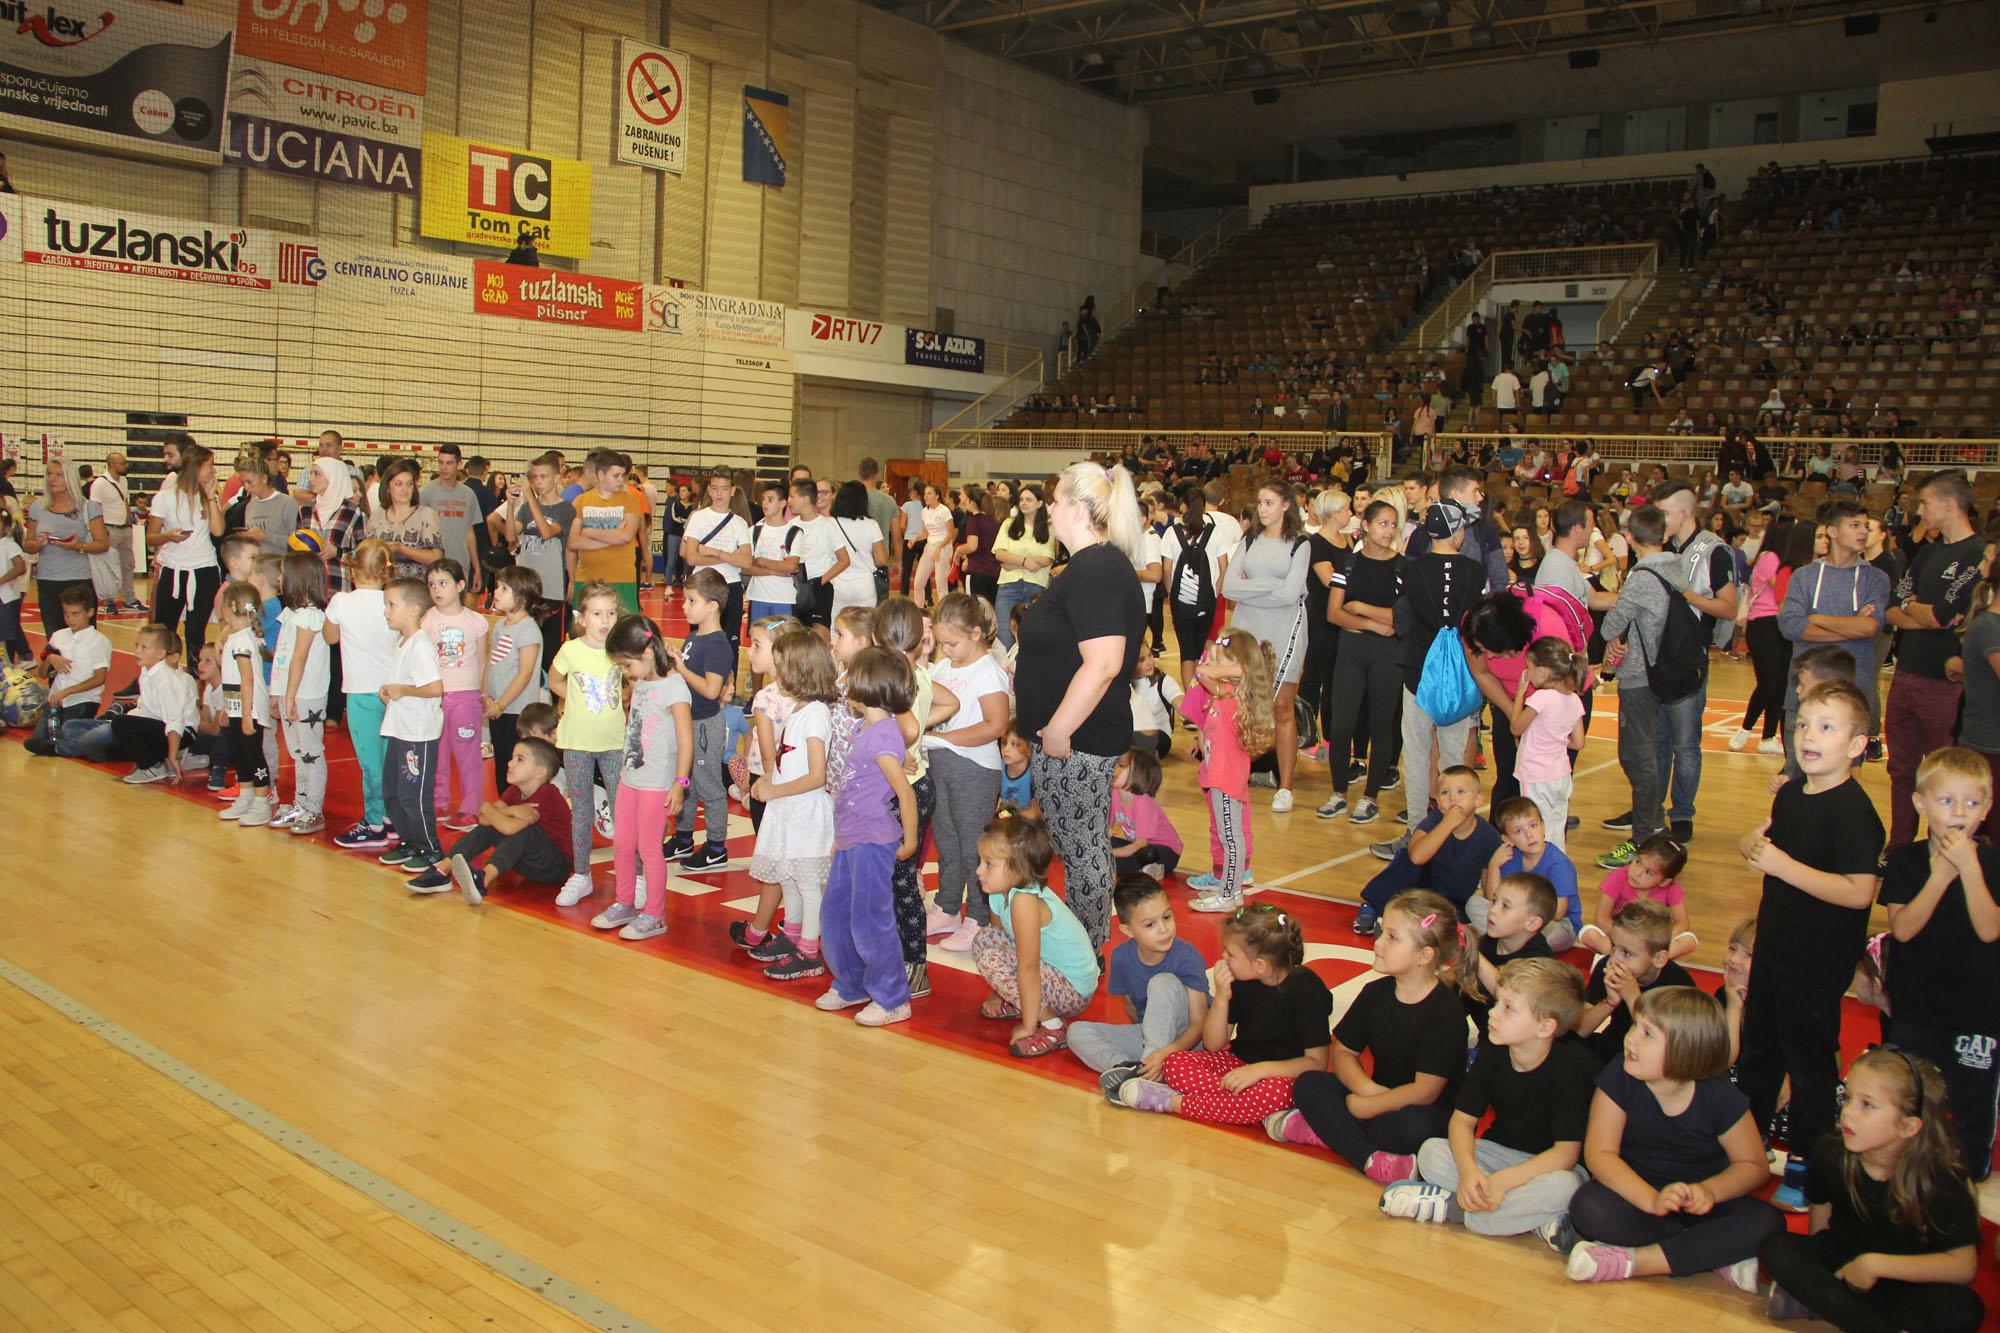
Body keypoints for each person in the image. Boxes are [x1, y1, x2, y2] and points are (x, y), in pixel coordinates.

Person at [1736, 679, 1886, 1211]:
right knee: (1758, 1053)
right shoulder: (1795, 794)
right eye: (1802, 723)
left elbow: (1859, 891)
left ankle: (1806, 1161)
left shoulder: (1854, 813)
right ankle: (1745, 1149)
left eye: (1826, 727)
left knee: (1810, 1064)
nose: (1807, 735)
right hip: (1775, 950)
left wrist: (1783, 866)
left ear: (1856, 745)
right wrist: (1752, 844)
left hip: (1817, 963)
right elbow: (1765, 844)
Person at [1564, 987, 1783, 1285]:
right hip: (1638, 1195)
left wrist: (1709, 1191)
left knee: (1767, 1222)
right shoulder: (1620, 1073)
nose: (1631, 1038)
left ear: (1686, 1050)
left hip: (1702, 1202)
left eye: (1647, 1034)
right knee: (1587, 1207)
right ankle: (1710, 1253)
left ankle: (1636, 1262)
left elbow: (1754, 1166)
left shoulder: (1717, 1093)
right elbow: (1600, 1154)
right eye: (1634, 1026)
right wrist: (1652, 1200)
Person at [1758, 1048, 1986, 1332]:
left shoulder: (1940, 1178)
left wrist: (1876, 1265)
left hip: (1905, 1276)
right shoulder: (1832, 1152)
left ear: (1908, 1126)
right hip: (1845, 1263)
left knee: (1965, 1310)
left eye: (1867, 1105)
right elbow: (1821, 1220)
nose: (1848, 1112)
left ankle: (1828, 1306)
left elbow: (1963, 1267)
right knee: (1776, 1247)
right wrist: (1819, 1271)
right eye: (1848, 1097)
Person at [1014, 461, 1146, 951]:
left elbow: (1105, 663)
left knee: (1083, 850)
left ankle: (1087, 956)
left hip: (1078, 742)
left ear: (1076, 507)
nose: (1048, 506)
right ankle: (1087, 949)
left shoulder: (1097, 570)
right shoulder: (1089, 567)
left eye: (1055, 497)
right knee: (1082, 847)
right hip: (1074, 738)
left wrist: (1058, 730)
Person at [1379, 957, 1593, 1245]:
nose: (1492, 1013)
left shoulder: (1570, 1070)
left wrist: (1503, 1182)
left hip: (1547, 1167)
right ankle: (1531, 1218)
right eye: (1497, 1003)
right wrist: (1469, 1172)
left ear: (1545, 1027)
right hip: (1497, 1155)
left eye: (1508, 1009)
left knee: (1565, 1187)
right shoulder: (1491, 1055)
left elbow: (1565, 1154)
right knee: (1432, 1151)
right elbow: (1462, 1122)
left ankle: (1454, 1208)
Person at [1278, 891, 1473, 1181]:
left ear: (1424, 955)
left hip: (1426, 1110)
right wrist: (1367, 1090)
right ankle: (1367, 1157)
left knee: (1404, 1130)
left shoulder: (1445, 1013)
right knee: (1308, 1084)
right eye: (1381, 932)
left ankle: (1331, 1133)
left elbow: (1425, 1091)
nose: (1378, 942)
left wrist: (1371, 1105)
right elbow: (1343, 1051)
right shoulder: (1376, 993)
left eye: (1392, 937)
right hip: (1376, 1093)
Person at [1876, 747, 2000, 1179]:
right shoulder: (1906, 862)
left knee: (1971, 1098)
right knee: (1909, 1091)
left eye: (1971, 802)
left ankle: (1968, 1168)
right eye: (1947, 801)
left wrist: (1968, 870)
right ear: (1921, 803)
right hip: (1916, 1007)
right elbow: (1904, 928)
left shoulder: (1992, 863)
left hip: (1979, 1013)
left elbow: (1990, 929)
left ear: (1986, 808)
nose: (1959, 812)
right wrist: (1941, 875)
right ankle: (1904, 1162)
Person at [1111, 903, 1328, 1122]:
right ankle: (1246, 1106)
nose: (1224, 956)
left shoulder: (1308, 990)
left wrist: (1258, 1072)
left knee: (1274, 1094)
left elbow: (1316, 1063)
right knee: (1174, 1064)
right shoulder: (1241, 980)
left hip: (1281, 1075)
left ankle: (1173, 1103)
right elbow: (1213, 1044)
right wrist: (1222, 997)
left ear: (1260, 965)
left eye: (1231, 953)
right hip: (1237, 1063)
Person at [1378, 472, 1488, 859]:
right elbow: (1478, 625)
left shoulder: (1409, 570)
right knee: (1456, 759)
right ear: (1457, 534)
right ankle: (1457, 834)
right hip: (1459, 676)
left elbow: (1401, 621)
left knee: (1418, 752)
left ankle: (1415, 832)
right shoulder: (1475, 573)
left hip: (1417, 673)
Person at [816, 645, 920, 1027]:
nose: (844, 684)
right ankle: (852, 984)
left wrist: (909, 840)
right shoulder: (868, 729)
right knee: (836, 912)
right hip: (851, 838)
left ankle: (892, 997)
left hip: (874, 841)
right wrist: (840, 838)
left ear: (866, 687)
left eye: (850, 677)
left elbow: (904, 791)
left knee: (869, 918)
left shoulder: (881, 737)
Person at [1883, 472, 1982, 848]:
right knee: (1901, 770)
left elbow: (1945, 614)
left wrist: (1922, 613)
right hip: (1906, 674)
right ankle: (1899, 849)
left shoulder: (1976, 554)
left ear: (1949, 504)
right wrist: (1920, 611)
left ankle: (1939, 849)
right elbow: (1894, 607)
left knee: (1941, 776)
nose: (1920, 510)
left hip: (1944, 684)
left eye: (1924, 503)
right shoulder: (1928, 551)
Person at [583, 617, 691, 937]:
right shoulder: (641, 680)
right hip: (631, 779)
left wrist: (679, 784)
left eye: (627, 663)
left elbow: (685, 741)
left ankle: (655, 914)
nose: (626, 671)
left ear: (646, 652)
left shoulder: (675, 688)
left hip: (658, 783)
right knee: (622, 843)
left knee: (649, 849)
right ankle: (625, 902)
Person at [739, 628, 837, 981]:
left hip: (805, 810)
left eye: (782, 666)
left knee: (808, 884)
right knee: (791, 879)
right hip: (789, 808)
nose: (778, 673)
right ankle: (792, 935)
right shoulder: (799, 708)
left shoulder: (815, 714)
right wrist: (769, 782)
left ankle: (809, 951)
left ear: (802, 671)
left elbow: (816, 775)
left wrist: (776, 792)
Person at [1595, 507, 1689, 870]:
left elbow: (1608, 627)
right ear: (1664, 536)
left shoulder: (1641, 575)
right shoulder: (1678, 567)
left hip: (1641, 675)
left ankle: (1645, 837)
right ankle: (1653, 828)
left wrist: (1617, 633)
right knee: (1649, 751)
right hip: (1668, 670)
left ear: (1630, 538)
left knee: (1637, 755)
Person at [920, 593, 1012, 951]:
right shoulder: (943, 666)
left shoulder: (988, 671)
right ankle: (946, 906)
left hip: (974, 768)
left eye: (952, 642)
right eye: (940, 642)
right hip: (941, 764)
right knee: (946, 841)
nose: (946, 649)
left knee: (974, 846)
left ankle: (978, 915)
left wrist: (945, 738)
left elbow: (996, 725)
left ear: (976, 634)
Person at [969, 813, 1101, 1059]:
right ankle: (1027, 1004)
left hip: (1072, 989)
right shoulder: (999, 891)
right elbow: (1003, 939)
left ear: (1018, 868)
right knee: (985, 939)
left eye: (989, 864)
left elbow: (1028, 966)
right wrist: (1000, 992)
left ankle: (1053, 1026)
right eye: (981, 861)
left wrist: (1029, 1026)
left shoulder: (1025, 901)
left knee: (992, 958)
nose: (978, 871)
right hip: (1049, 973)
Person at [1221, 482, 1312, 814]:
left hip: (1286, 627)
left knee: (1282, 708)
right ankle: (1235, 772)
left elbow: (1291, 596)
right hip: (1250, 626)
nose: (1262, 508)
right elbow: (1230, 587)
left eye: (1269, 502)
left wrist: (1252, 589)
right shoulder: (1249, 540)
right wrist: (1272, 585)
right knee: (1241, 703)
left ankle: (1285, 787)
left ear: (1286, 505)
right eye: (1259, 502)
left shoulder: (1300, 544)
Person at [1776, 498, 1891, 758]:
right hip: (1803, 694)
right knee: (1797, 774)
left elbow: (1870, 627)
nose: (1863, 531)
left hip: (1852, 694)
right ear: (1833, 531)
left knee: (1846, 779)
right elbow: (1791, 626)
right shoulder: (1804, 576)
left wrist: (1816, 618)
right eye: (1854, 525)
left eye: (1865, 526)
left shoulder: (1875, 578)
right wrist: (1851, 625)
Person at [1316, 499, 1404, 823]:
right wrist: (1372, 624)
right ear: (1366, 525)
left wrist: (1361, 608)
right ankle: (1338, 792)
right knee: (1340, 725)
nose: (1389, 531)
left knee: (1382, 724)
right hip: (1352, 651)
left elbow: (1400, 616)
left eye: (1393, 525)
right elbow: (1334, 612)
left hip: (1388, 654)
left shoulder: (1402, 567)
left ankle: (1370, 797)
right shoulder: (1348, 564)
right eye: (1383, 523)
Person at [1069, 875, 1210, 1079]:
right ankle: (1128, 1070)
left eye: (1167, 917)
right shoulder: (1121, 957)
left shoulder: (1188, 956)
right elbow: (1131, 1008)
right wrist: (1153, 1044)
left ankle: (1148, 1074)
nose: (1163, 929)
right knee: (1077, 1031)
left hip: (1186, 1045)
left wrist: (1164, 1052)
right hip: (1151, 1039)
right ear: (1127, 930)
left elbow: (1199, 1024)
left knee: (1162, 982)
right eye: (1150, 925)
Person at [1178, 630, 1274, 913]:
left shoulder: (1234, 694)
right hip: (1218, 777)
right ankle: (1229, 892)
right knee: (1227, 835)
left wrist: (1226, 656)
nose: (1212, 660)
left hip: (1226, 779)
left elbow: (1206, 669)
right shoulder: (1223, 692)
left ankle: (1229, 894)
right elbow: (1205, 672)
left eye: (1222, 658)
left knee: (1231, 838)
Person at [549, 582, 627, 908]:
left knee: (622, 809)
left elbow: (634, 680)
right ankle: (581, 874)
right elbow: (554, 680)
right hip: (577, 743)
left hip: (613, 743)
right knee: (580, 809)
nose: (605, 620)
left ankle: (631, 875)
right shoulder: (571, 650)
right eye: (597, 614)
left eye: (610, 613)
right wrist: (577, 699)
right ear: (583, 617)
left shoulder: (620, 649)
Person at [1356, 766, 1502, 934]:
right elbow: (1417, 857)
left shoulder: (1489, 836)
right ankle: (1375, 905)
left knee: (1446, 925)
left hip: (1452, 902)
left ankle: (1406, 922)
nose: (1453, 799)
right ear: (1438, 801)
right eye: (1445, 793)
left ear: (1478, 799)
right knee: (1407, 856)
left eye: (1461, 792)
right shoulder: (1435, 819)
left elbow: (1487, 885)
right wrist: (1447, 824)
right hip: (1421, 888)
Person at [326, 541, 398, 850]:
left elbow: (330, 637)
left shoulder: (341, 601)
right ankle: (391, 817)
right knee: (390, 758)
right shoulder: (393, 602)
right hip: (393, 692)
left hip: (360, 693)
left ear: (352, 570)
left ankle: (373, 823)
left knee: (370, 762)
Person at [446, 738, 574, 905]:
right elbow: (484, 820)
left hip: (555, 868)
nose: (510, 763)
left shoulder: (547, 795)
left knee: (523, 831)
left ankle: (482, 881)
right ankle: (442, 870)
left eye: (519, 759)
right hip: (528, 863)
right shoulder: (514, 790)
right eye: (513, 758)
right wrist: (510, 810)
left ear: (540, 772)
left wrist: (487, 806)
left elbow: (507, 827)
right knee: (491, 826)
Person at [666, 569, 736, 870]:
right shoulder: (695, 636)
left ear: (712, 606)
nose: (684, 606)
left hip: (705, 724)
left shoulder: (718, 644)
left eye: (691, 601)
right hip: (687, 722)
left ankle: (717, 846)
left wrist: (680, 669)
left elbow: (710, 689)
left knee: (708, 786)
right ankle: (683, 838)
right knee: (687, 782)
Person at [1574, 900, 1697, 1068]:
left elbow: (1669, 1047)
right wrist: (1610, 1002)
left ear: (1659, 959)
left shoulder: (1678, 983)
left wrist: (1632, 996)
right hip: (1615, 1044)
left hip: (1655, 1058)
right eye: (1613, 947)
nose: (1615, 958)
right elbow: (1580, 1031)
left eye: (1626, 953)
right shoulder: (1606, 965)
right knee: (1566, 1048)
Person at [420, 559, 487, 833]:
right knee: (437, 752)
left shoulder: (476, 622)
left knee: (467, 754)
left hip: (465, 695)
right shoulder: (427, 620)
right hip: (436, 695)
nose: (437, 589)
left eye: (443, 583)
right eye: (432, 584)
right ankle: (439, 802)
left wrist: (483, 695)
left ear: (460, 585)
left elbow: (482, 661)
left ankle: (471, 808)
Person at [268, 553, 331, 837]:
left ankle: (313, 809)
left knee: (310, 751)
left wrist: (290, 695)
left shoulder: (311, 615)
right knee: (297, 751)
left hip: (306, 694)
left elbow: (299, 659)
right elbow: (282, 657)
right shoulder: (292, 613)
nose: (279, 580)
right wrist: (277, 692)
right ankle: (301, 802)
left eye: (283, 574)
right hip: (290, 693)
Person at [1473, 797, 1581, 949]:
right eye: (1519, 831)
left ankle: (1507, 940)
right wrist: (1494, 866)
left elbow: (1557, 913)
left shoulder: (1559, 864)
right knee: (1474, 904)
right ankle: (1512, 940)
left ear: (1543, 826)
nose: (1529, 835)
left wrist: (1519, 918)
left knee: (1552, 935)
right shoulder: (1511, 857)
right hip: (1516, 918)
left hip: (1556, 924)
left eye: (1533, 825)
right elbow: (1492, 899)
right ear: (1507, 839)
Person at [1731, 515, 1799, 755]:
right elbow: (1785, 589)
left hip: (1781, 624)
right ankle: (1744, 730)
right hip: (1764, 624)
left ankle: (1769, 736)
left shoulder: (1786, 561)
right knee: (1768, 682)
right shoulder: (1769, 557)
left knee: (1781, 683)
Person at [214, 582, 278, 827]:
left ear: (230, 608)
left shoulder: (242, 641)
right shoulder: (239, 636)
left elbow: (247, 679)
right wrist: (228, 708)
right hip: (236, 705)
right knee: (240, 753)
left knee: (252, 754)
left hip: (248, 707)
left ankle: (261, 802)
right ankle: (246, 795)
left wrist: (248, 715)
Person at [25, 458, 111, 637]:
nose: (52, 479)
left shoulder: (89, 507)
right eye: (49, 474)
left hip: (80, 579)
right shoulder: (37, 507)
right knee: (54, 635)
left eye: (59, 475)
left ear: (70, 478)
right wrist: (38, 544)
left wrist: (77, 546)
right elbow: (28, 545)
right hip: (48, 579)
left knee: (83, 636)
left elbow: (103, 544)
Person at [102, 625, 198, 783]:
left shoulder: (165, 680)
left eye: (144, 648)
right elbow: (146, 712)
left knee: (121, 724)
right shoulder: (147, 673)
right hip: (162, 726)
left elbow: (175, 720)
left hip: (183, 733)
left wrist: (173, 756)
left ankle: (154, 767)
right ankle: (154, 761)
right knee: (119, 730)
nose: (137, 651)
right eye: (137, 646)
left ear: (161, 654)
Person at [24, 586, 111, 757]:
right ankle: (65, 745)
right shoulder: (58, 636)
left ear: (90, 612)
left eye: (75, 613)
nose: (70, 619)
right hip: (56, 701)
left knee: (67, 732)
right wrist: (49, 659)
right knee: (41, 737)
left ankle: (81, 737)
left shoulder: (99, 641)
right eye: (66, 613)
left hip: (82, 700)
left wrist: (66, 692)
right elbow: (42, 674)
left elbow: (99, 678)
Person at [1160, 484, 1230, 691]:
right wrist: (1214, 593)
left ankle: (1190, 705)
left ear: (1183, 505)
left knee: (1187, 652)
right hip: (1206, 600)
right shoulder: (1215, 532)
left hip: (1181, 601)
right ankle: (1203, 699)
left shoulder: (1172, 533)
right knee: (1201, 649)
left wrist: (1173, 593)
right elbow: (1224, 567)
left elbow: (1166, 569)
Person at [482, 566, 545, 796]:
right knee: (502, 764)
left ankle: (518, 809)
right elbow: (490, 663)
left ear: (522, 596)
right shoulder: (500, 626)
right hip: (498, 708)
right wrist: (485, 696)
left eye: (504, 588)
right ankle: (505, 805)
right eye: (498, 586)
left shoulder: (527, 629)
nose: (496, 592)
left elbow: (525, 674)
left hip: (516, 711)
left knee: (516, 765)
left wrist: (500, 704)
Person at [1581, 833, 1694, 960]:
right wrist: (1624, 941)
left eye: (1648, 872)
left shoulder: (1672, 887)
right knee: (1588, 933)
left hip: (1650, 940)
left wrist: (1658, 943)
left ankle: (1629, 958)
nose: (1637, 872)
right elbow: (1601, 917)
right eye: (1638, 861)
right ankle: (1644, 960)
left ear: (1664, 881)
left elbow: (1682, 923)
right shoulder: (1618, 877)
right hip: (1618, 937)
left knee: (1689, 940)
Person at [491, 452, 574, 609]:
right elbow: (510, 536)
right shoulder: (527, 507)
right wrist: (510, 505)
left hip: (553, 585)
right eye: (535, 477)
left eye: (543, 477)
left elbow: (546, 533)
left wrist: (530, 499)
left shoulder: (565, 509)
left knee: (552, 632)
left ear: (556, 478)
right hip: (528, 585)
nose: (538, 482)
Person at [680, 469, 751, 646]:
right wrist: (730, 557)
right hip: (702, 585)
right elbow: (691, 557)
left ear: (732, 491)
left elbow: (747, 561)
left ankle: (728, 674)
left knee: (730, 642)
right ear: (709, 491)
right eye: (715, 488)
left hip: (731, 585)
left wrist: (714, 552)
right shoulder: (698, 518)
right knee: (699, 639)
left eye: (724, 489)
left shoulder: (739, 523)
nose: (719, 494)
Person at [567, 452, 644, 614]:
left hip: (622, 579)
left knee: (623, 633)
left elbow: (626, 536)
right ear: (601, 474)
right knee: (585, 631)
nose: (621, 480)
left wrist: (587, 531)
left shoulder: (630, 501)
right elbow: (573, 542)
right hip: (587, 579)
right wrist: (613, 537)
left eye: (623, 475)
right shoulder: (581, 501)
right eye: (616, 475)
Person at [991, 484, 1056, 651]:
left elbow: (1046, 559)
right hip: (1008, 586)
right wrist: (1026, 562)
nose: (1024, 503)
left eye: (1029, 499)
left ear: (1040, 503)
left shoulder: (1048, 528)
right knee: (1004, 636)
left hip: (1035, 588)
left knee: (1030, 638)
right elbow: (999, 554)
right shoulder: (1009, 523)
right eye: (1021, 499)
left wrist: (1013, 562)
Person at [365, 458, 444, 582]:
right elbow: (369, 552)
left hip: (417, 589)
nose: (405, 489)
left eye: (409, 484)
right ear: (387, 487)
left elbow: (436, 557)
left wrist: (402, 549)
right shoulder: (377, 515)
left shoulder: (426, 515)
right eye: (398, 484)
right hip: (383, 588)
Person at [1109, 747, 1180, 881]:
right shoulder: (1114, 793)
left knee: (1146, 854)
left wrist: (1109, 853)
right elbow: (1107, 828)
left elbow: (1140, 844)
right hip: (1138, 846)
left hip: (1165, 852)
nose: (1114, 769)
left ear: (1138, 774)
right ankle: (1143, 870)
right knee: (1105, 844)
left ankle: (1151, 867)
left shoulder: (1143, 803)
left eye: (1121, 766)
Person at [826, 480, 887, 620]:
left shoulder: (830, 523)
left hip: (837, 585)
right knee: (865, 630)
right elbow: (881, 560)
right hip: (864, 585)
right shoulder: (871, 525)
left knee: (836, 630)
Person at [88, 452, 139, 612]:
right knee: (108, 566)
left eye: (125, 462)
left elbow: (125, 502)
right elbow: (93, 509)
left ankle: (129, 599)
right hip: (108, 529)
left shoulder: (123, 481)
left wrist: (129, 523)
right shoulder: (99, 484)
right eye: (122, 463)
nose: (126, 466)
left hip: (124, 529)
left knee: (128, 564)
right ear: (111, 465)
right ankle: (109, 601)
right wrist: (100, 531)